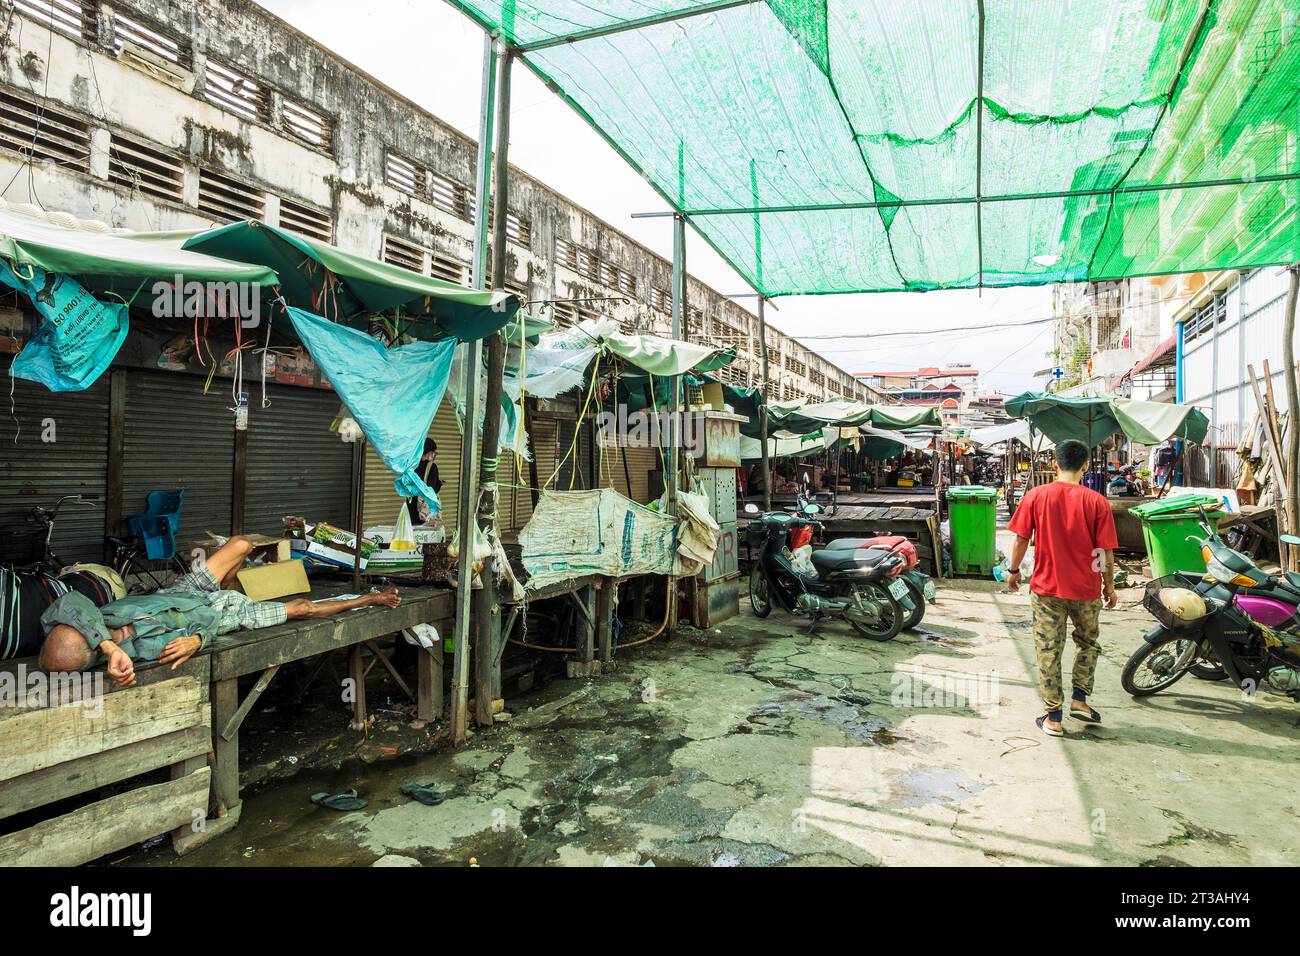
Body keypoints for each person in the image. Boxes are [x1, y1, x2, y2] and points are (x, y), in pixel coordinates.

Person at [39, 535, 401, 687]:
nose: (101, 630)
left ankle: (238, 581)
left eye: (97, 632)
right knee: (302, 608)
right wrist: (198, 640)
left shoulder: (93, 618)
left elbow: (71, 602)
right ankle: (369, 599)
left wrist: (106, 644)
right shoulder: (142, 654)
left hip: (180, 594)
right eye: (96, 637)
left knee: (242, 544)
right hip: (222, 616)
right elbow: (207, 631)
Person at [1006, 438, 1118, 737]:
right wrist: (1109, 586)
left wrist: (1013, 571)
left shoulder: (1036, 495)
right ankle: (1080, 699)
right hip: (1087, 589)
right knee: (1088, 644)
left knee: (1048, 650)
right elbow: (1104, 552)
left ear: (1054, 463)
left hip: (1047, 590)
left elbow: (1020, 539)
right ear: (1085, 466)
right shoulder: (1097, 502)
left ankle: (1053, 716)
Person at [406, 439, 444, 525]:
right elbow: (432, 489)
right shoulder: (431, 467)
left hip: (411, 505)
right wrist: (439, 483)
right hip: (425, 509)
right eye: (433, 451)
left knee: (413, 533)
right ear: (428, 452)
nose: (434, 454)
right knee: (426, 534)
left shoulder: (411, 466)